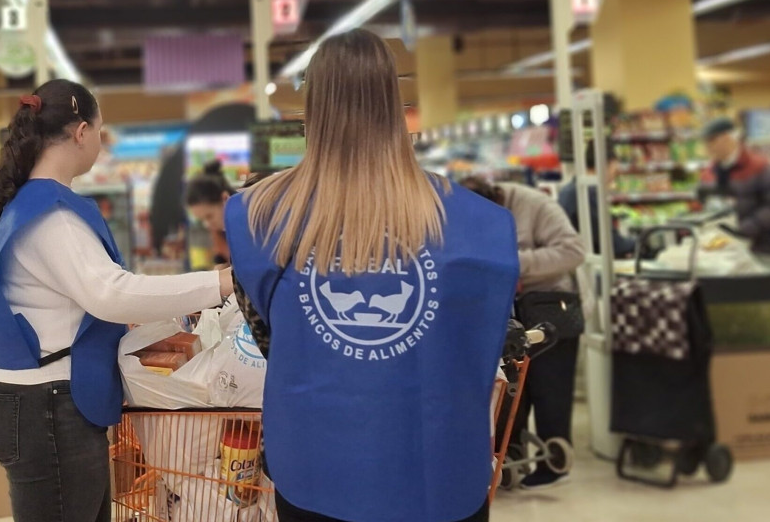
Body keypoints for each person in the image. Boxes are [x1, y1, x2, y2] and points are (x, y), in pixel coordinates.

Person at [225, 29, 520, 522]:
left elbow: (270, 337)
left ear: (312, 107)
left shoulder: (258, 218)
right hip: (437, 465)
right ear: (394, 101)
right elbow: (479, 345)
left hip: (317, 465)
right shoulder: (481, 226)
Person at [0, 79, 234, 522]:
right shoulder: (51, 215)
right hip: (46, 406)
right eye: (99, 130)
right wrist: (220, 285)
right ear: (80, 132)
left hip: (41, 398)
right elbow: (112, 293)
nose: (100, 141)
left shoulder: (36, 204)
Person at [461, 177, 586, 490]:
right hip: (505, 311)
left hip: (548, 307)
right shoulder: (470, 214)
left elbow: (573, 251)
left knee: (551, 388)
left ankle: (552, 461)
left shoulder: (537, 206)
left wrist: (513, 262)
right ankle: (511, 452)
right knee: (511, 388)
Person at [702, 118, 770, 254]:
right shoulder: (710, 171)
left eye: (711, 141)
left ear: (727, 138)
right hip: (725, 248)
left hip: (762, 247)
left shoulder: (761, 167)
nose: (708, 147)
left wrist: (746, 228)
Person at [558, 142, 636, 258]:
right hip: (589, 265)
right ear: (604, 165)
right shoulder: (588, 194)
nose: (613, 179)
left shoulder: (569, 189)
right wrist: (639, 242)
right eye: (615, 172)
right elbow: (612, 244)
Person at [185, 159, 236, 266]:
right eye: (203, 220)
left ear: (224, 199)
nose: (207, 224)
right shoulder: (222, 230)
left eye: (209, 216)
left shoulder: (251, 225)